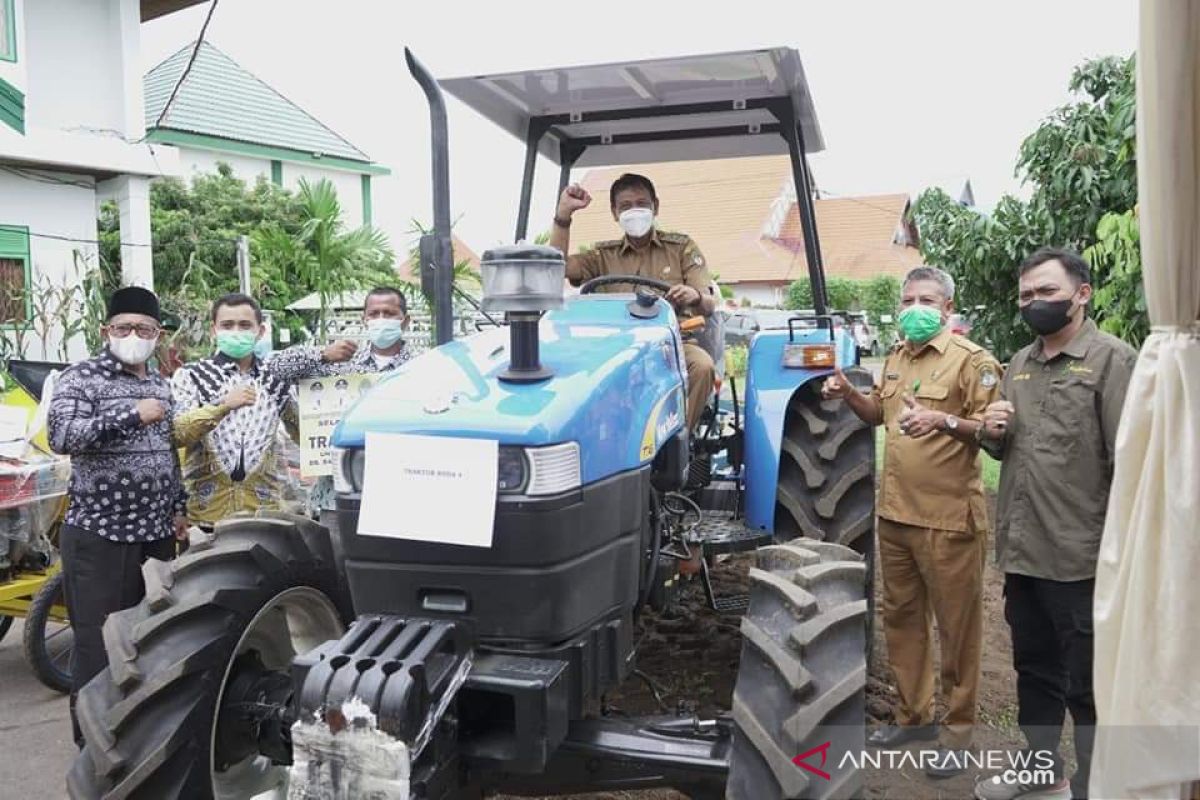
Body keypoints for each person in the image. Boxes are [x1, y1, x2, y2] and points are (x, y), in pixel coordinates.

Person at [821, 266, 1002, 777]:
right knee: (902, 621)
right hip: (896, 515)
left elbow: (994, 434)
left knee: (957, 630)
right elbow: (879, 413)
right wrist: (848, 394)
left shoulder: (973, 363)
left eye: (926, 299)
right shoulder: (898, 356)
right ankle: (913, 715)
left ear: (947, 308)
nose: (914, 307)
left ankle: (957, 732)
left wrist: (943, 420)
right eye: (907, 299)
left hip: (948, 521)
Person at [973, 248, 1137, 800]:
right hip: (1024, 551)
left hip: (1081, 557)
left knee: (1090, 688)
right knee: (1035, 671)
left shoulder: (1112, 360)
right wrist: (991, 432)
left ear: (1081, 293)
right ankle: (1042, 772)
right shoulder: (1019, 362)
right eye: (1025, 296)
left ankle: (1095, 787)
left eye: (1046, 292)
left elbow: (1129, 461)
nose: (1034, 303)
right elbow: (1007, 450)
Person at [47, 287, 188, 746]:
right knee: (97, 645)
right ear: (106, 330)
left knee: (149, 639)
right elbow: (62, 435)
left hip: (155, 534)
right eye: (123, 327)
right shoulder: (81, 378)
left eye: (143, 329)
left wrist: (179, 506)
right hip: (100, 534)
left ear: (157, 335)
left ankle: (137, 735)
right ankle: (92, 746)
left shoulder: (160, 385)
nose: (133, 336)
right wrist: (130, 416)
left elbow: (170, 453)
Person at [170, 293, 356, 529]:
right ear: (213, 330)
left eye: (245, 325)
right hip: (207, 513)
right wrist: (222, 406)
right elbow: (178, 433)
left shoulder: (274, 378)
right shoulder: (191, 376)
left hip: (263, 511)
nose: (236, 331)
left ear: (260, 331)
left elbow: (305, 434)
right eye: (227, 325)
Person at [550, 173, 716, 431]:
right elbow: (556, 267)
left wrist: (694, 296)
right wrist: (563, 217)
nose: (634, 211)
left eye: (641, 203)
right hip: (616, 349)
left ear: (655, 207)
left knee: (702, 366)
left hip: (671, 347)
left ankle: (680, 440)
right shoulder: (601, 256)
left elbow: (708, 303)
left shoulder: (681, 248)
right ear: (615, 213)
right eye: (625, 206)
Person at [290, 286, 415, 516]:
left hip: (400, 493)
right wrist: (322, 354)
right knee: (335, 552)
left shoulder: (421, 368)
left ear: (405, 321)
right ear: (364, 319)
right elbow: (278, 369)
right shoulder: (340, 363)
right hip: (338, 496)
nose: (380, 320)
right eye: (374, 314)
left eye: (389, 314)